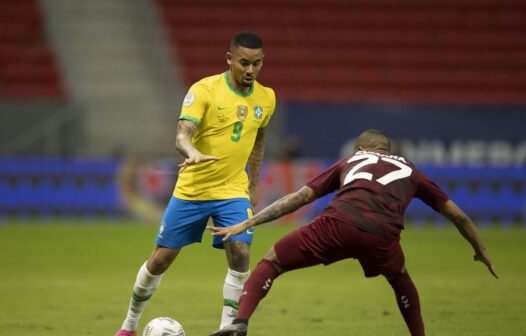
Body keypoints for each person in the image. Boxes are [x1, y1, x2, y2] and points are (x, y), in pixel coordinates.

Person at [208, 129, 497, 336]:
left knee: (272, 261)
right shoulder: (412, 170)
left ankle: (240, 323)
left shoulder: (350, 161)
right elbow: (459, 216)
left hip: (337, 224)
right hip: (382, 235)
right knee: (399, 278)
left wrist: (248, 222)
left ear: (360, 150)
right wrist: (481, 250)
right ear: (389, 151)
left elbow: (299, 198)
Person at [115, 31, 276, 336]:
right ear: (229, 59)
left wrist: (254, 181)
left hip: (232, 190)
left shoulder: (266, 98)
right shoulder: (204, 90)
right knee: (160, 260)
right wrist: (192, 152)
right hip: (193, 190)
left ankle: (229, 329)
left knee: (240, 250)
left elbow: (259, 139)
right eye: (244, 63)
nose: (251, 70)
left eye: (257, 64)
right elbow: (182, 133)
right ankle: (129, 325)